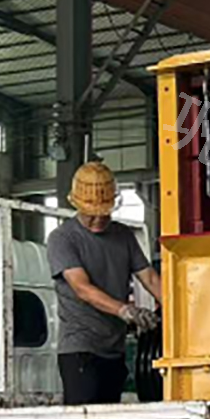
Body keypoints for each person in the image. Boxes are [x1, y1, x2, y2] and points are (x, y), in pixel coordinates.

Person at [47, 161, 162, 405]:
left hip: (114, 350)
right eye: (92, 214)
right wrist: (125, 310)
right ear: (77, 205)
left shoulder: (123, 236)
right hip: (80, 351)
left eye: (104, 211)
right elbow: (82, 289)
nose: (99, 218)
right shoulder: (63, 238)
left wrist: (177, 313)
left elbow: (150, 278)